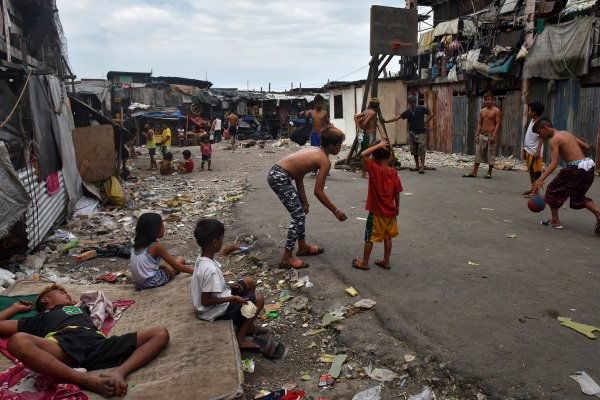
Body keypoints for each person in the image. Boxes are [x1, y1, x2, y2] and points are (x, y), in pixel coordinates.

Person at [0, 284, 169, 397]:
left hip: (98, 343)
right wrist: (14, 308)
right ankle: (87, 380)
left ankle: (119, 373)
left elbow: (108, 307)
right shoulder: (38, 318)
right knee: (17, 341)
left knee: (160, 333)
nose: (67, 294)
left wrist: (100, 304)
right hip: (62, 345)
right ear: (45, 300)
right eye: (61, 293)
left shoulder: (81, 308)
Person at [267, 127, 348, 269]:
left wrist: (304, 202)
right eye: (339, 145)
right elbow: (319, 192)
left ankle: (303, 246)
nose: (340, 148)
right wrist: (336, 211)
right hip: (279, 177)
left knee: (301, 211)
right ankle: (287, 257)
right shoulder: (324, 161)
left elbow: (299, 175)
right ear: (331, 146)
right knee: (298, 215)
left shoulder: (315, 149)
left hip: (277, 173)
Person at [191, 218, 265, 350]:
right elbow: (206, 301)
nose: (223, 241)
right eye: (221, 238)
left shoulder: (201, 259)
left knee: (249, 282)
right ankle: (241, 338)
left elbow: (209, 285)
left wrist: (227, 285)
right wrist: (233, 298)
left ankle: (245, 321)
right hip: (214, 311)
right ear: (215, 242)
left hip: (219, 298)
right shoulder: (210, 270)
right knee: (259, 299)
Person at [531, 119, 600, 233]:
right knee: (578, 196)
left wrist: (541, 179)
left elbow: (554, 163)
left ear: (545, 129)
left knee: (552, 189)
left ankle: (555, 221)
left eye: (539, 133)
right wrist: (582, 159)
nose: (540, 136)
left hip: (575, 168)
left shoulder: (553, 141)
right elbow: (587, 146)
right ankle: (598, 213)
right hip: (588, 166)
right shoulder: (565, 133)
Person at [352, 139, 403, 270]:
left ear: (374, 157)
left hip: (376, 213)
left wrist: (378, 146)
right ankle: (386, 260)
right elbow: (397, 192)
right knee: (388, 236)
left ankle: (364, 262)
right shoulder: (393, 172)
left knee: (369, 238)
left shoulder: (375, 170)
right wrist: (397, 206)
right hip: (390, 212)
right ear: (390, 156)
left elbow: (363, 154)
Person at [130, 213, 194, 289]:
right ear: (154, 229)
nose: (164, 228)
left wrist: (161, 267)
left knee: (168, 267)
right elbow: (175, 265)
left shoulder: (135, 247)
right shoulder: (156, 247)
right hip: (151, 282)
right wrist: (194, 271)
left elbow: (144, 265)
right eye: (162, 226)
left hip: (138, 284)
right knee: (181, 260)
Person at [384, 95, 434, 174]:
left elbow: (431, 113)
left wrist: (426, 122)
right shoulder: (408, 112)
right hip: (411, 132)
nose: (414, 103)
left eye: (414, 101)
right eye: (412, 102)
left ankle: (422, 167)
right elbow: (398, 117)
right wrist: (386, 121)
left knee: (421, 148)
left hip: (421, 131)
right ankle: (417, 166)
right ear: (409, 103)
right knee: (414, 149)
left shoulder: (421, 108)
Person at [463, 91, 502, 179]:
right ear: (484, 101)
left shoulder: (496, 111)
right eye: (486, 100)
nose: (487, 101)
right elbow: (480, 123)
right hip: (482, 134)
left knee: (490, 154)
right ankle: (474, 171)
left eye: (489, 99)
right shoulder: (482, 111)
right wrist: (476, 135)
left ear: (493, 100)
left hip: (490, 135)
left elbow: (498, 124)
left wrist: (494, 135)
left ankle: (489, 172)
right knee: (478, 153)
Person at [299, 95, 330, 176]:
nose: (320, 105)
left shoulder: (324, 113)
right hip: (314, 135)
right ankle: (314, 170)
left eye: (321, 103)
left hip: (322, 134)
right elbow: (301, 115)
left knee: (324, 152)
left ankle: (325, 169)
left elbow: (328, 123)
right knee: (314, 152)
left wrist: (329, 130)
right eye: (318, 103)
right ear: (315, 103)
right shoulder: (311, 112)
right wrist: (304, 112)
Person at [354, 98, 382, 178]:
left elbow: (355, 117)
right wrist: (363, 130)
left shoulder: (366, 111)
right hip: (368, 135)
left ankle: (365, 172)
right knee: (367, 154)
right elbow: (366, 123)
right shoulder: (373, 113)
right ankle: (364, 173)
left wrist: (359, 128)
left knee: (364, 152)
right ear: (377, 106)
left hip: (362, 134)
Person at [522, 102, 545, 197]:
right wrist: (524, 149)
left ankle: (535, 191)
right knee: (531, 172)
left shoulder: (539, 123)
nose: (528, 112)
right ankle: (533, 188)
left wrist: (538, 151)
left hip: (535, 151)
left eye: (529, 110)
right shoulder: (532, 121)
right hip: (529, 150)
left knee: (536, 173)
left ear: (534, 112)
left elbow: (542, 137)